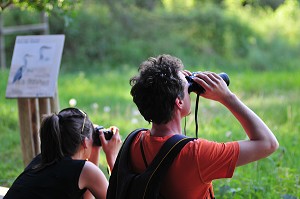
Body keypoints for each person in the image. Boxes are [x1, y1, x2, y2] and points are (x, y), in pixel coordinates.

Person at [128, 54, 279, 198]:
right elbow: (268, 143)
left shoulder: (134, 142)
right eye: (188, 88)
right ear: (178, 102)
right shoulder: (196, 154)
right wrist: (227, 97)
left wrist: (180, 84)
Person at [4, 107, 122, 199]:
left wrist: (95, 150)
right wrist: (113, 158)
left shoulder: (41, 160)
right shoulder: (85, 171)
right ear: (85, 142)